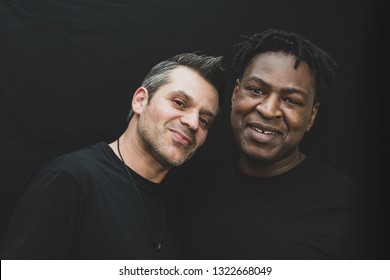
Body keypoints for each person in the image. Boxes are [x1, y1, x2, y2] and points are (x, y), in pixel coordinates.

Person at [0, 52, 226, 259]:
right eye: (179, 103)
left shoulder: (176, 204)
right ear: (140, 101)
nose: (193, 122)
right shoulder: (70, 180)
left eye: (205, 120)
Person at [178, 29, 366, 259]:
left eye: (291, 100)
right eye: (256, 90)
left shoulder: (349, 208)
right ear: (235, 94)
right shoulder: (194, 185)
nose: (268, 110)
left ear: (312, 116)